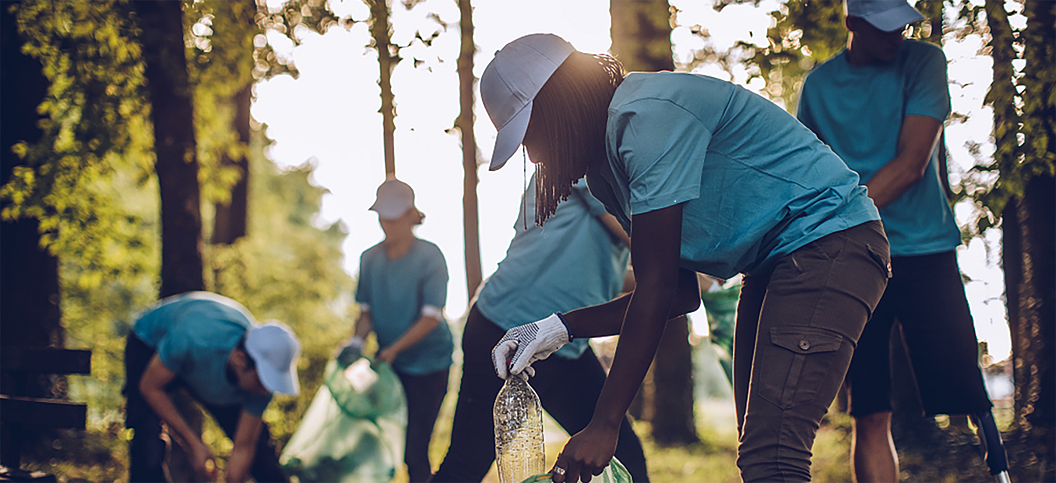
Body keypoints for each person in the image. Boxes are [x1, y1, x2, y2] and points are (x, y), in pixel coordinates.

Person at [479, 33, 892, 483]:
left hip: (829, 241)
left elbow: (656, 289)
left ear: (558, 105)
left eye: (530, 134)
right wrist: (558, 328)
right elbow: (678, 294)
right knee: (758, 452)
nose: (533, 153)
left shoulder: (645, 117)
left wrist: (604, 423)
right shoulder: (605, 173)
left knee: (773, 455)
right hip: (771, 263)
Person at [795, 1, 998, 481]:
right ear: (853, 24)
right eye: (884, 28)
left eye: (902, 26)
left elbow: (911, 165)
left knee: (971, 396)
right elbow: (806, 173)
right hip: (855, 259)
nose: (897, 36)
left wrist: (837, 219)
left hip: (926, 252)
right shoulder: (818, 87)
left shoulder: (924, 61)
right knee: (869, 409)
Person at [430, 173, 650, 482]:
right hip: (508, 331)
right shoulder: (581, 168)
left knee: (624, 454)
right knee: (465, 465)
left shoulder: (614, 184)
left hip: (566, 342)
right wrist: (684, 268)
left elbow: (606, 273)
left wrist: (676, 282)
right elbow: (648, 245)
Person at [339, 178, 453, 483]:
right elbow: (366, 312)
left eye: (393, 217)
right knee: (376, 441)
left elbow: (431, 317)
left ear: (410, 215)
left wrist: (393, 349)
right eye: (383, 218)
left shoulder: (430, 256)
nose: (387, 224)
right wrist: (355, 343)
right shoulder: (370, 259)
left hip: (430, 367)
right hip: (391, 367)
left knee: (415, 452)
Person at [124, 291, 300, 483]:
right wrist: (194, 444)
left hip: (207, 366)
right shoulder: (193, 338)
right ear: (241, 359)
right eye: (263, 381)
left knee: (262, 457)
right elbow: (150, 388)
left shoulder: (259, 380)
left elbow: (243, 447)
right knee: (147, 444)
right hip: (150, 344)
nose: (265, 391)